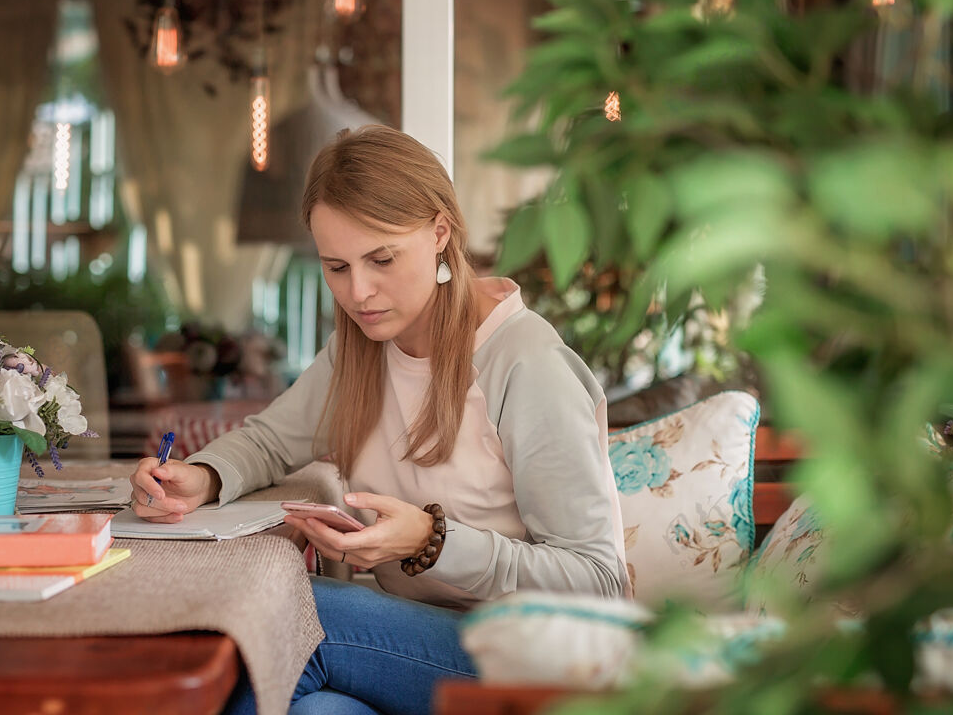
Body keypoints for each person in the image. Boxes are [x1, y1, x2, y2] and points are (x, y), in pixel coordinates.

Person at [129, 125, 630, 715]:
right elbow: (269, 441)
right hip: (416, 652)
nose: (358, 292)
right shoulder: (365, 346)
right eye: (336, 267)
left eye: (382, 259)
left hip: (537, 662)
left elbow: (600, 582)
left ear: (440, 232)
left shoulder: (524, 362)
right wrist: (203, 476)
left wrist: (432, 540)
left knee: (294, 609)